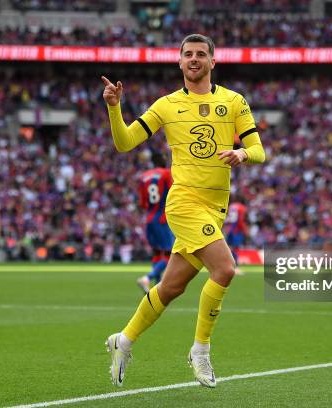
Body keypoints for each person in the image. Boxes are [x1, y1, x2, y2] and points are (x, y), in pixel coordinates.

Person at [101, 33, 265, 388]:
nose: (194, 59)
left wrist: (242, 153)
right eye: (187, 54)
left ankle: (123, 340)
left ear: (212, 61)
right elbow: (124, 142)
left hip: (215, 206)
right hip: (184, 202)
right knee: (224, 269)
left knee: (171, 287)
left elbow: (259, 149)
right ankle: (200, 350)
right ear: (179, 62)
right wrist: (115, 108)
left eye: (201, 54)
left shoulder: (234, 101)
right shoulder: (166, 105)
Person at [136, 153, 175, 293]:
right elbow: (174, 192)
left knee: (158, 254)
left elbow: (142, 203)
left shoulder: (143, 177)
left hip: (149, 219)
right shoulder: (166, 174)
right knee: (170, 254)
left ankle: (157, 288)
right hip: (162, 219)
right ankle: (147, 278)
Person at [224, 200, 248, 275]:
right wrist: (244, 230)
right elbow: (240, 220)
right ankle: (235, 267)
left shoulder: (231, 206)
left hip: (229, 229)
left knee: (229, 248)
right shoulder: (242, 207)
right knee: (235, 249)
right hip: (236, 230)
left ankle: (227, 266)